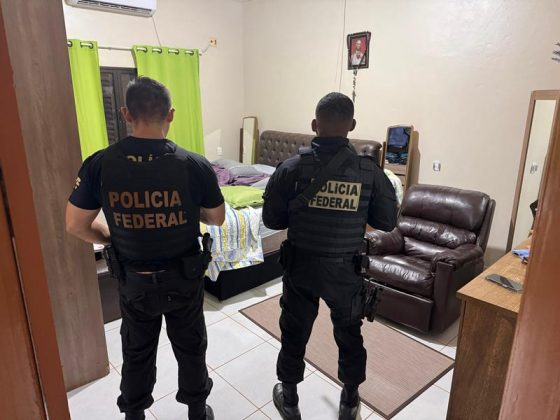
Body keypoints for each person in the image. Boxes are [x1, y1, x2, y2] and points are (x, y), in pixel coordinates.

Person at [66, 77, 225, 420]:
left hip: (134, 280)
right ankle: (197, 412)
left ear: (126, 114)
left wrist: (111, 237)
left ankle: (134, 414)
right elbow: (216, 218)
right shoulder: (195, 164)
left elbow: (75, 224)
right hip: (184, 279)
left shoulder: (99, 164)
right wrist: (186, 210)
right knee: (191, 347)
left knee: (136, 352)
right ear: (171, 115)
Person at [262, 92, 397, 420]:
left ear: (314, 125)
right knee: (349, 333)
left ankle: (289, 399)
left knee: (294, 332)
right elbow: (387, 222)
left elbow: (272, 221)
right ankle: (349, 401)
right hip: (345, 271)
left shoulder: (291, 168)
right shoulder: (370, 172)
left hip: (301, 268)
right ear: (352, 125)